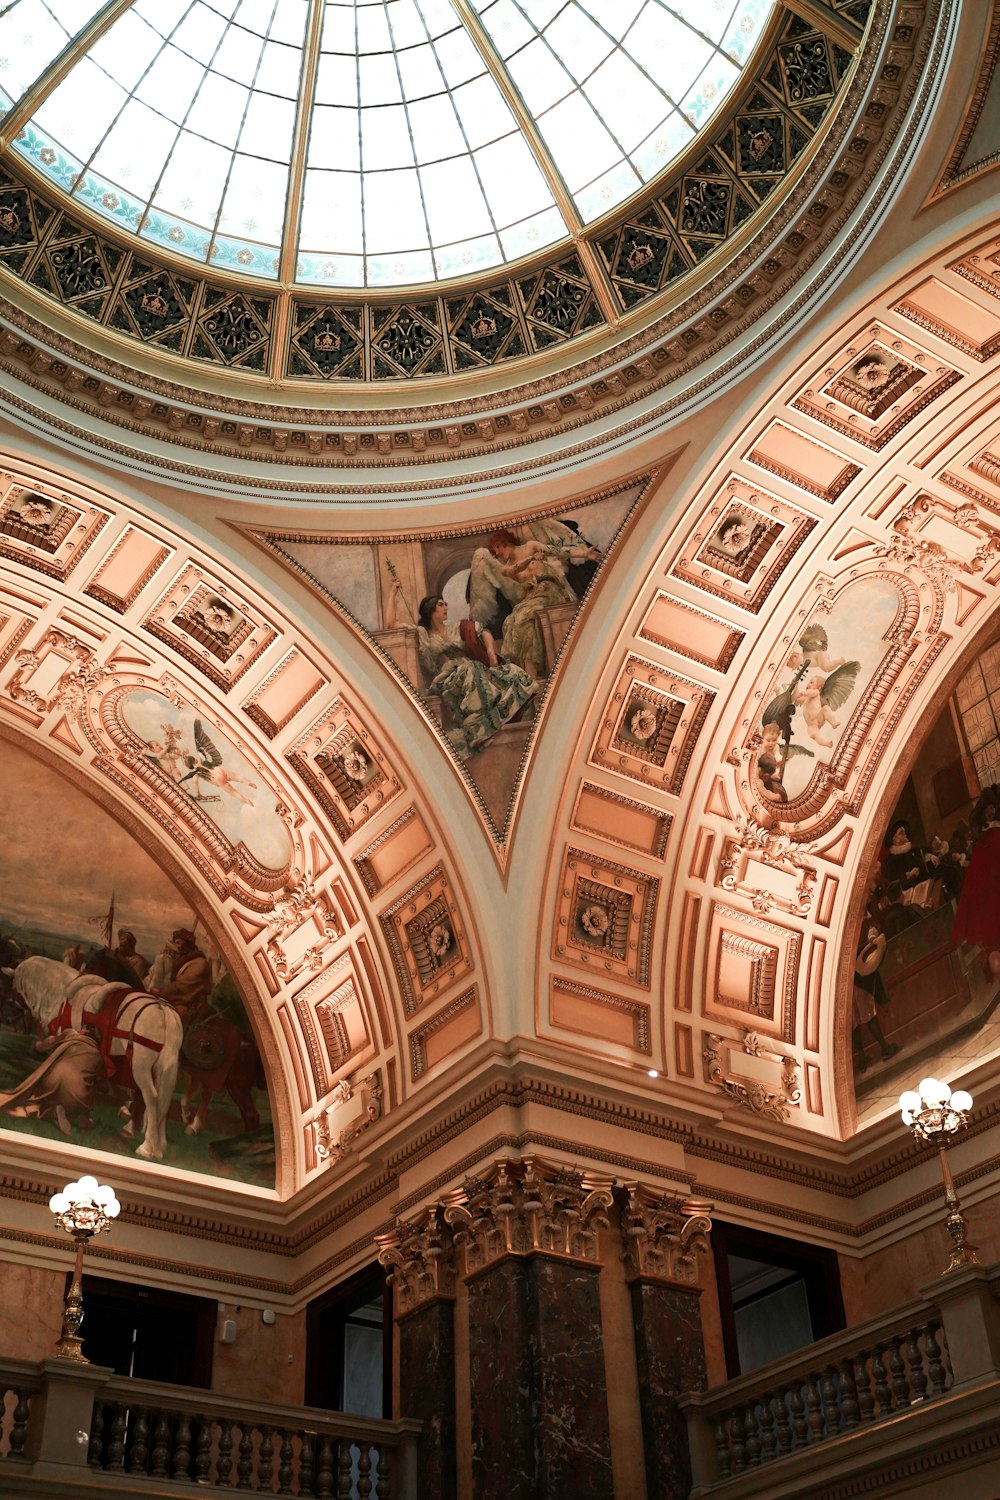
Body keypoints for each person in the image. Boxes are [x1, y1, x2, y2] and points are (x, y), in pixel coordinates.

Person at [415, 594, 538, 761]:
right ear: (430, 610)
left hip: (471, 670)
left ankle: (485, 721)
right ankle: (476, 729)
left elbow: (482, 631)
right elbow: (394, 625)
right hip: (447, 677)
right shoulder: (425, 634)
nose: (446, 607)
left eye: (446, 603)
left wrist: (490, 652)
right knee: (470, 670)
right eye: (441, 604)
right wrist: (393, 592)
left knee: (509, 673)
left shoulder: (456, 628)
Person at [486, 529, 581, 680]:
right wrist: (531, 558)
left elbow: (558, 551)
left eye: (495, 549)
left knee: (523, 614)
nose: (496, 554)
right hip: (533, 595)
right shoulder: (505, 568)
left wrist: (585, 554)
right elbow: (515, 569)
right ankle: (530, 675)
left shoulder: (530, 546)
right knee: (513, 621)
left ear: (502, 542)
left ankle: (530, 675)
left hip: (550, 591)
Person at [0, 1027, 103, 1136]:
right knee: (82, 1091)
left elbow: (46, 1044)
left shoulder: (72, 1034)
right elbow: (95, 1087)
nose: (79, 1030)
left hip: (52, 1081)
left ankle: (51, 1110)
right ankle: (57, 1112)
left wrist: (36, 1045)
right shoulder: (98, 1057)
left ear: (85, 1032)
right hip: (76, 1096)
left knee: (40, 1094)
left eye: (81, 1028)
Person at [150, 928, 213, 1017]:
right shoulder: (183, 960)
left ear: (187, 945)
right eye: (176, 943)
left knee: (171, 1018)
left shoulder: (200, 963)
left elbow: (182, 986)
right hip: (180, 999)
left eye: (178, 942)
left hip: (191, 1004)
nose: (177, 946)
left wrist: (161, 992)